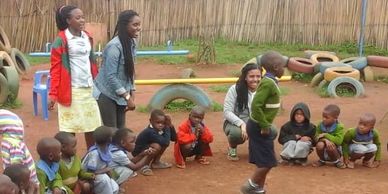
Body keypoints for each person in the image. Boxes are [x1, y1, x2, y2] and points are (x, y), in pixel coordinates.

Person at [49, 5, 101, 149]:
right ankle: (67, 163)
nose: (82, 20)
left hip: (89, 89)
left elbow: (92, 63)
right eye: (77, 18)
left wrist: (98, 82)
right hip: (71, 90)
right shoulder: (61, 40)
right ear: (68, 20)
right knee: (69, 129)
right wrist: (53, 94)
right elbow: (55, 69)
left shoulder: (87, 37)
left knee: (92, 126)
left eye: (83, 17)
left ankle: (91, 158)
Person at [240, 51, 286, 194]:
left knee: (265, 160)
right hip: (259, 126)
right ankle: (250, 186)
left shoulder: (270, 81)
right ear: (276, 67)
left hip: (259, 125)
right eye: (283, 66)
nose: (285, 69)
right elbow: (255, 105)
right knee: (268, 162)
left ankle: (258, 188)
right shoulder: (268, 83)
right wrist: (265, 125)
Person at [93, 10, 141, 128]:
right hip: (106, 93)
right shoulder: (114, 46)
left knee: (121, 132)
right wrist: (127, 96)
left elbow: (130, 69)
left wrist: (132, 90)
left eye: (139, 24)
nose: (139, 28)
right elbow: (111, 76)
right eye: (135, 25)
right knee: (112, 131)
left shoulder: (132, 43)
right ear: (124, 26)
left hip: (120, 93)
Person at [223, 63, 262, 161]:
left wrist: (261, 123)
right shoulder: (234, 89)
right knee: (236, 134)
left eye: (258, 76)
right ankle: (232, 147)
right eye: (251, 76)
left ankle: (257, 148)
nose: (255, 79)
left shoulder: (263, 90)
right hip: (235, 122)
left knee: (271, 130)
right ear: (245, 77)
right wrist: (242, 124)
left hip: (256, 119)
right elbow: (227, 112)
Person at [0, 109, 39, 189]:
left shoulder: (13, 144)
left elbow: (17, 169)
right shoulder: (10, 141)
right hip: (21, 181)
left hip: (25, 184)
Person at [132, 109, 176, 175]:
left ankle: (156, 162)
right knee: (157, 146)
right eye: (158, 122)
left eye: (163, 123)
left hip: (147, 149)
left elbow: (174, 138)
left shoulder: (160, 128)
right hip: (138, 154)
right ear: (150, 121)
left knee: (161, 143)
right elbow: (166, 142)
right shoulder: (150, 131)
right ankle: (144, 165)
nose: (161, 125)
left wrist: (170, 125)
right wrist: (167, 126)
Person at [81, 126, 119, 194]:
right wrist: (105, 170)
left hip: (100, 174)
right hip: (89, 177)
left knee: (115, 188)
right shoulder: (94, 153)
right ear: (110, 139)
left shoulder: (106, 149)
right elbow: (89, 173)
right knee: (104, 179)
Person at [313, 104, 346, 169]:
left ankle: (336, 161)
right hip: (324, 150)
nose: (324, 119)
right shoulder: (320, 125)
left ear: (335, 118)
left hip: (335, 151)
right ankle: (322, 160)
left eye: (326, 117)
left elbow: (338, 141)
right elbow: (316, 138)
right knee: (319, 145)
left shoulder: (339, 127)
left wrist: (325, 135)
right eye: (323, 116)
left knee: (331, 145)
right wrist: (325, 140)